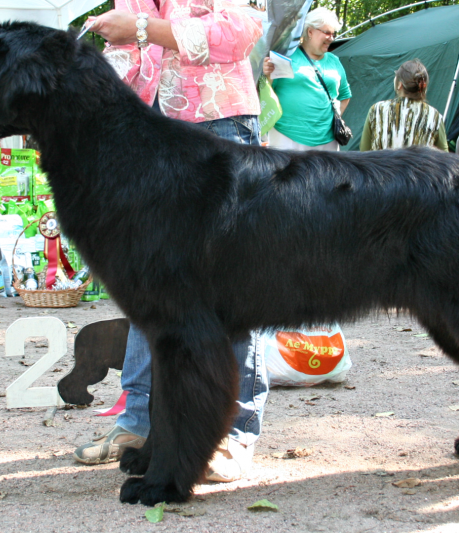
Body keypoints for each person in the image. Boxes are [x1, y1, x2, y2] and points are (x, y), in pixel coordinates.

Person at [73, 0, 268, 483]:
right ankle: (141, 421)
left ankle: (234, 432)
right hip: (145, 132)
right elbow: (134, 61)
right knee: (148, 285)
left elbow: (240, 30)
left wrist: (141, 27)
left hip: (219, 124)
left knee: (235, 290)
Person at [262, 7, 351, 151]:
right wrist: (267, 74)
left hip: (328, 140)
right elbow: (268, 91)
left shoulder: (334, 61)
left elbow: (345, 96)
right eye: (327, 33)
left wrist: (332, 121)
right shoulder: (286, 55)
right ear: (310, 31)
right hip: (287, 136)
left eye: (333, 34)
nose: (331, 38)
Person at [359, 59, 447, 152]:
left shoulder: (377, 110)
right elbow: (444, 157)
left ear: (399, 85)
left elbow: (364, 151)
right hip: (419, 167)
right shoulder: (434, 116)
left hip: (380, 166)